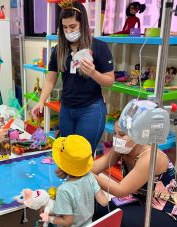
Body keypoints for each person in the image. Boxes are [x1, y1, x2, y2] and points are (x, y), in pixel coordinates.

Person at [91, 121, 177, 227]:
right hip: (144, 201)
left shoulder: (150, 157)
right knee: (100, 211)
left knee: (117, 217)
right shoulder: (123, 148)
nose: (116, 138)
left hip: (170, 214)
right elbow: (96, 167)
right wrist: (76, 164)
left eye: (122, 134)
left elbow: (121, 190)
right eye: (115, 133)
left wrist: (89, 175)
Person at [31, 1, 114, 153]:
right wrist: (41, 101)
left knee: (83, 157)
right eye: (64, 27)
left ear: (83, 24)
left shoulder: (99, 47)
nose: (68, 31)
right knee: (67, 155)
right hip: (67, 110)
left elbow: (110, 81)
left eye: (72, 26)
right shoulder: (59, 50)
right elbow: (50, 79)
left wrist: (93, 73)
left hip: (91, 109)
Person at [22, 135, 108, 227]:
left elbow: (67, 222)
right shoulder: (90, 176)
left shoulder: (64, 190)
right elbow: (104, 201)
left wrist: (49, 217)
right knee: (40, 224)